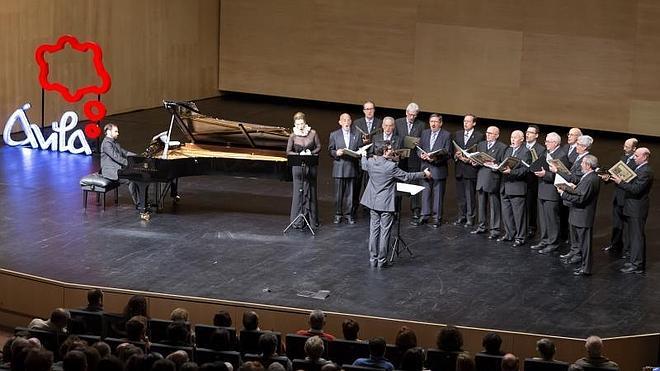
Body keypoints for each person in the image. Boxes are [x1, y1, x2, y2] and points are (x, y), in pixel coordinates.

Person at [360, 139, 430, 268]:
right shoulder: (390, 166)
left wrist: (363, 155)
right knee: (384, 232)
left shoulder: (370, 162)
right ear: (385, 151)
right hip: (385, 203)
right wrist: (423, 174)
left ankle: (373, 259)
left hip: (373, 202)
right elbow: (407, 176)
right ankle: (381, 261)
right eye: (390, 148)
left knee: (373, 231)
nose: (392, 150)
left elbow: (364, 163)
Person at [552, 135, 593, 265]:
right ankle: (574, 250)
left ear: (585, 147)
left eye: (579, 144)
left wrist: (558, 171)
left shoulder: (587, 160)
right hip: (572, 196)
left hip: (577, 198)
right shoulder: (578, 157)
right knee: (572, 226)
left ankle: (578, 253)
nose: (576, 146)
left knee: (578, 230)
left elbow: (576, 178)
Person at [611, 147, 653, 274]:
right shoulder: (639, 168)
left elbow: (636, 189)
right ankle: (634, 260)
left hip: (637, 209)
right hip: (631, 207)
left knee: (636, 237)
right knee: (633, 236)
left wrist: (620, 182)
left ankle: (637, 265)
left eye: (636, 156)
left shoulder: (646, 171)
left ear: (645, 157)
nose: (634, 158)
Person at [558, 154, 600, 276]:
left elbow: (581, 199)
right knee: (581, 243)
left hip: (583, 217)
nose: (581, 165)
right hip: (578, 215)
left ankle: (586, 268)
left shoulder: (591, 179)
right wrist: (573, 188)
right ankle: (583, 266)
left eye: (582, 163)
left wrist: (563, 194)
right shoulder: (587, 177)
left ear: (588, 165)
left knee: (585, 245)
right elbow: (581, 193)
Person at [532, 133, 569, 254]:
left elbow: (563, 175)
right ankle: (544, 240)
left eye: (548, 141)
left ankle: (553, 243)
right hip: (542, 190)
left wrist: (545, 175)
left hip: (552, 192)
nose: (546, 143)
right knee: (543, 219)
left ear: (555, 143)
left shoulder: (562, 156)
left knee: (552, 219)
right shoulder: (545, 153)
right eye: (546, 141)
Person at [601, 138, 638, 255]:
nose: (624, 149)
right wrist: (608, 178)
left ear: (634, 148)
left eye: (627, 147)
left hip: (628, 198)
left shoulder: (636, 163)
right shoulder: (623, 158)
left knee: (627, 226)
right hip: (618, 196)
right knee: (617, 223)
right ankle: (615, 245)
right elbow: (616, 174)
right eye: (624, 146)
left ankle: (627, 250)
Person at [414, 114, 451, 228]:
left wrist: (435, 158)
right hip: (425, 167)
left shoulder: (446, 135)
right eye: (431, 121)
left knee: (438, 195)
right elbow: (418, 149)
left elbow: (448, 153)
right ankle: (424, 216)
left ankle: (436, 218)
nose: (433, 124)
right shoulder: (425, 133)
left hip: (438, 169)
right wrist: (421, 155)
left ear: (440, 123)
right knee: (425, 194)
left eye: (435, 122)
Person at [286, 112, 321, 228]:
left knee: (311, 190)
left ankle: (311, 219)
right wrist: (298, 154)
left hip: (310, 166)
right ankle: (298, 221)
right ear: (295, 124)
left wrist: (311, 152)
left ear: (305, 122)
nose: (300, 126)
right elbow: (288, 151)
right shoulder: (293, 136)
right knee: (298, 193)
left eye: (302, 123)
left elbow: (318, 147)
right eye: (298, 124)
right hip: (298, 168)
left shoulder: (313, 133)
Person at [471, 126, 507, 239]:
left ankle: (495, 230)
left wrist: (494, 164)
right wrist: (475, 162)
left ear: (497, 135)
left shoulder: (502, 147)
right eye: (487, 133)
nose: (488, 135)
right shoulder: (481, 144)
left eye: (491, 133)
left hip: (493, 178)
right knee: (481, 204)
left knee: (494, 205)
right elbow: (479, 159)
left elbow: (502, 163)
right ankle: (481, 226)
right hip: (481, 177)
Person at [499, 130, 531, 247]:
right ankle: (509, 234)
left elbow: (525, 170)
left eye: (515, 138)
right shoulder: (508, 150)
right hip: (505, 186)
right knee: (507, 213)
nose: (512, 140)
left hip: (517, 187)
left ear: (521, 139)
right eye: (511, 137)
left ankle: (520, 237)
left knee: (519, 215)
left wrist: (511, 172)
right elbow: (502, 163)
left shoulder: (526, 152)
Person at [394, 103, 426, 221]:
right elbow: (395, 138)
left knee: (415, 184)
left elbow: (423, 141)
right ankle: (396, 210)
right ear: (406, 113)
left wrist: (418, 143)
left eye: (414, 115)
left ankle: (416, 210)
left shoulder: (421, 125)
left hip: (414, 158)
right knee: (398, 183)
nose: (412, 117)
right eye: (410, 114)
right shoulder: (398, 122)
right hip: (401, 158)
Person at [328, 113, 360, 224]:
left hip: (351, 167)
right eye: (344, 120)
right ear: (340, 122)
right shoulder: (334, 135)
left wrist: (360, 152)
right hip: (339, 167)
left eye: (348, 120)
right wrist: (336, 152)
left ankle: (349, 214)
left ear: (351, 121)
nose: (346, 122)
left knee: (350, 194)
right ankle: (338, 214)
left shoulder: (356, 134)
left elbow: (359, 149)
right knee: (338, 194)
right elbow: (330, 150)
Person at [453, 114, 484, 227]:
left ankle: (470, 218)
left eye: (468, 121)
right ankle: (461, 216)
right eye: (464, 121)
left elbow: (479, 153)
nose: (465, 123)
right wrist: (456, 156)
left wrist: (468, 159)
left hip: (470, 169)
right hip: (459, 169)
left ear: (474, 123)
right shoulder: (458, 134)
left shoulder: (479, 136)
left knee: (470, 195)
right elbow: (454, 149)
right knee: (461, 195)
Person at [353, 101, 383, 215]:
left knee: (371, 183)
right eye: (367, 109)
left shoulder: (380, 123)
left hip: (374, 157)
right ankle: (354, 207)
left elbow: (381, 139)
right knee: (357, 183)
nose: (369, 111)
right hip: (361, 156)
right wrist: (362, 141)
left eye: (371, 109)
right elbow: (355, 139)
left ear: (374, 110)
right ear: (364, 110)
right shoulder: (357, 123)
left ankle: (370, 207)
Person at [100, 123, 139, 207]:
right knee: (131, 180)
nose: (118, 133)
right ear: (109, 132)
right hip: (110, 171)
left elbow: (124, 152)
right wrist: (129, 163)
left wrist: (138, 157)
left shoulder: (114, 142)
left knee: (136, 177)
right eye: (116, 131)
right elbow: (116, 157)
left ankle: (141, 201)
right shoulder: (106, 144)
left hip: (117, 169)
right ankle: (138, 203)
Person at [524, 125, 546, 238]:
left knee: (531, 205)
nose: (527, 134)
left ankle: (531, 227)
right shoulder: (522, 146)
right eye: (527, 132)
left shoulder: (541, 149)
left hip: (533, 181)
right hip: (521, 179)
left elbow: (540, 165)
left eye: (531, 132)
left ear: (536, 135)